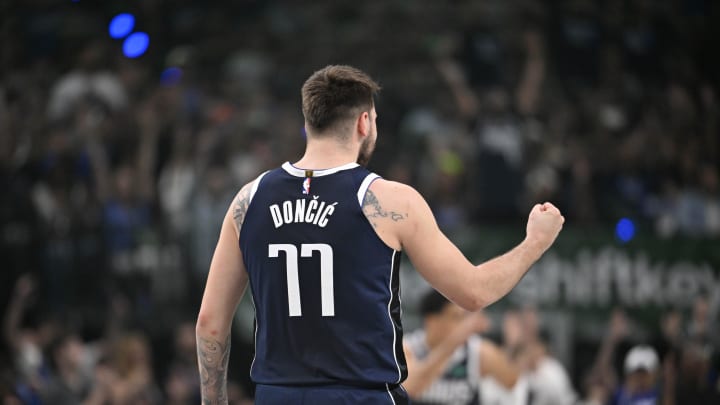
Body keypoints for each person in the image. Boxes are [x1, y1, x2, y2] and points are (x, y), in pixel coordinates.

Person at [195, 64, 565, 404]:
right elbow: (474, 292)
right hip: (359, 394)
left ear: (308, 123)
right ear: (364, 122)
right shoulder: (387, 199)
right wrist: (535, 242)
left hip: (278, 395)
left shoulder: (249, 199)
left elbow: (210, 325)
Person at [403, 289, 525, 404]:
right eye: (456, 317)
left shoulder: (475, 351)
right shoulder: (408, 347)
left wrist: (514, 346)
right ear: (432, 321)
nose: (462, 325)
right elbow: (411, 387)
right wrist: (452, 344)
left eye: (464, 318)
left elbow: (512, 381)